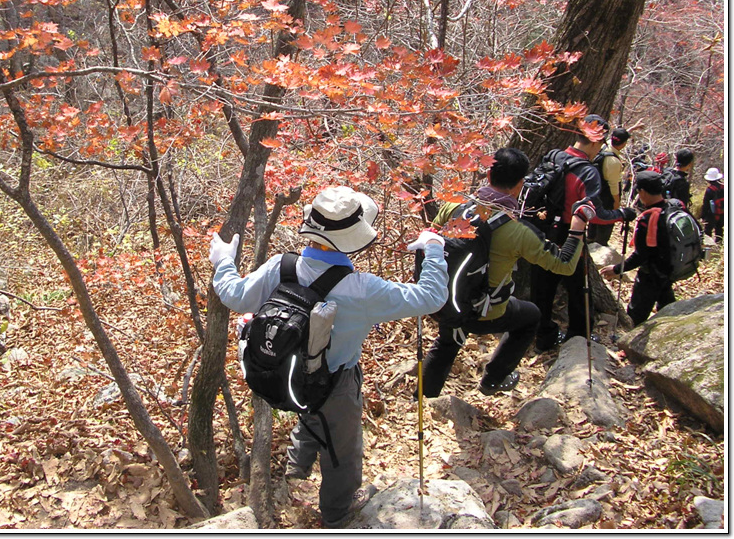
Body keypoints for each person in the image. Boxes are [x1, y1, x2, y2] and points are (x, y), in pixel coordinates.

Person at [209, 186, 448, 529]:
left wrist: (224, 262)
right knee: (342, 454)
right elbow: (432, 297)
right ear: (353, 239)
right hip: (336, 382)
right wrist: (435, 248)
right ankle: (336, 516)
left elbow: (233, 295)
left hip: (286, 376)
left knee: (307, 405)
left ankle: (296, 468)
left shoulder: (282, 266)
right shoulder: (363, 289)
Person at [421, 147, 592, 398]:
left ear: (488, 175)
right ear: (520, 185)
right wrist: (577, 228)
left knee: (447, 342)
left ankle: (424, 400)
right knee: (530, 316)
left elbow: (430, 241)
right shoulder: (518, 231)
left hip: (444, 300)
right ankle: (493, 380)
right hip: (486, 312)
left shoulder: (454, 206)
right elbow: (564, 265)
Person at [531, 115, 637, 352]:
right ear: (597, 141)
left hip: (541, 230)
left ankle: (543, 336)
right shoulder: (588, 172)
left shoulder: (553, 156)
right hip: (571, 236)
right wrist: (623, 214)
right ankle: (578, 334)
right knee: (578, 285)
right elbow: (594, 213)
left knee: (542, 287)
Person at [600, 171, 676, 325]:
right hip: (670, 269)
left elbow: (641, 255)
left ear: (642, 192)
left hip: (650, 274)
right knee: (668, 308)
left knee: (636, 314)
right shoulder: (675, 207)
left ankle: (630, 344)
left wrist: (616, 269)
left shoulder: (648, 219)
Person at [588, 126, 634, 245]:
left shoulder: (603, 147)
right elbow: (614, 186)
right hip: (607, 196)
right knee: (606, 222)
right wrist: (617, 203)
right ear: (623, 144)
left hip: (596, 192)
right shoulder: (613, 162)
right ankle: (601, 244)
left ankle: (590, 239)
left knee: (595, 218)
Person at [701, 167, 724, 242]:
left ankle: (709, 246)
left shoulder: (710, 190)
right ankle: (719, 243)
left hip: (711, 214)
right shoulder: (723, 187)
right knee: (719, 229)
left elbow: (706, 205)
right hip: (722, 213)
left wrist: (703, 216)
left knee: (708, 231)